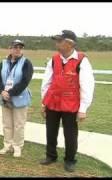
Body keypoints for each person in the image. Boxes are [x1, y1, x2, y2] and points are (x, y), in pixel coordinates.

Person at [40, 30, 95, 172]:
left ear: (70, 43)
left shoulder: (82, 60)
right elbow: (47, 82)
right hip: (53, 102)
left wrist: (83, 109)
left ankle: (70, 160)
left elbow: (87, 85)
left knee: (70, 134)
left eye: (60, 40)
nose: (56, 43)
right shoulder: (54, 59)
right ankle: (51, 156)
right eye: (56, 40)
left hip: (71, 104)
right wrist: (44, 103)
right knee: (50, 131)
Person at [0, 39, 34, 157]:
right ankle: (7, 145)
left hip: (19, 97)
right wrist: (2, 91)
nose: (17, 49)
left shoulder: (26, 62)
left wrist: (10, 93)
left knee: (19, 124)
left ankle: (17, 147)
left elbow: (25, 81)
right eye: (15, 47)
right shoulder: (3, 63)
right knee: (7, 124)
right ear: (10, 48)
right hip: (4, 97)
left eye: (20, 47)